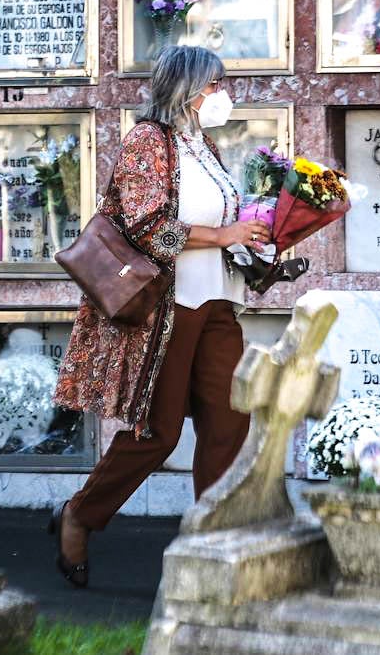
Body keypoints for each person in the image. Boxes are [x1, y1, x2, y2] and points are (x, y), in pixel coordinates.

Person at [49, 45, 270, 589]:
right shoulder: (149, 141)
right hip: (168, 310)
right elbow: (149, 229)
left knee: (230, 422)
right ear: (189, 89)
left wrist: (254, 240)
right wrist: (222, 235)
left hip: (217, 302)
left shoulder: (206, 145)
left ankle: (210, 546)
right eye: (216, 84)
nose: (224, 94)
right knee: (159, 434)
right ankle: (79, 515)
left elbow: (221, 222)